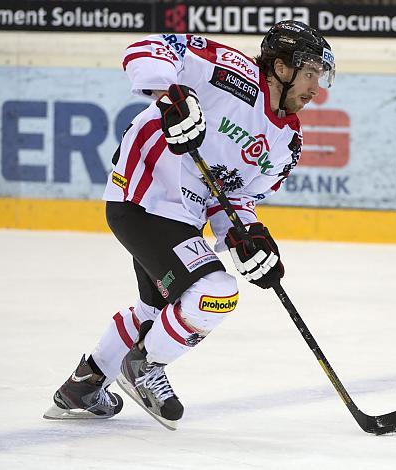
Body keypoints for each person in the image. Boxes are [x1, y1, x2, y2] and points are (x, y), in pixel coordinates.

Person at [43, 20, 335, 430]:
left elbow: (235, 199)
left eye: (319, 78)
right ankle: (143, 366)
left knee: (157, 308)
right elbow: (148, 47)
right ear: (282, 68)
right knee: (215, 291)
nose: (315, 87)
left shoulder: (288, 140)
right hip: (142, 199)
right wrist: (170, 94)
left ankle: (82, 388)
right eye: (309, 73)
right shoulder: (233, 74)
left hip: (183, 217)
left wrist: (247, 238)